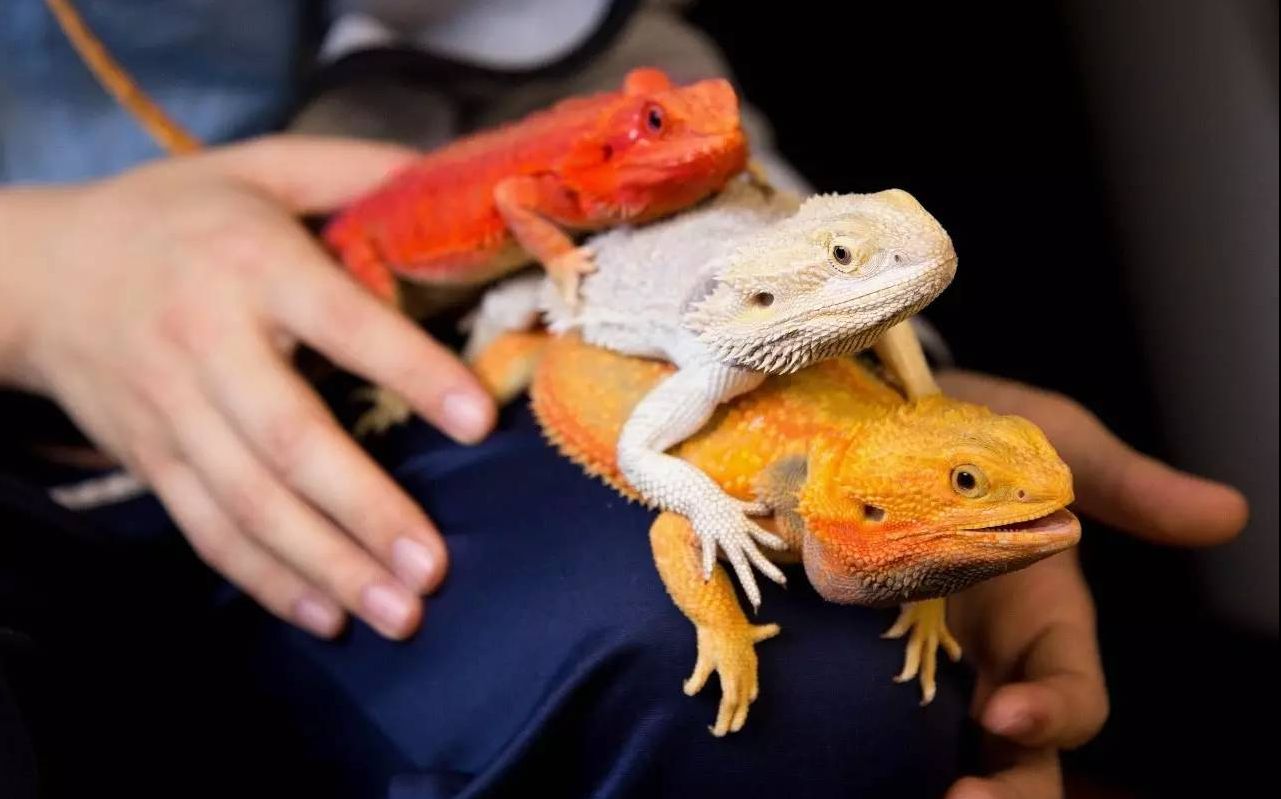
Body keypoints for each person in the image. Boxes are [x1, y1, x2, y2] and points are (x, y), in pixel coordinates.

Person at [0, 2, 1249, 797]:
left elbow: (677, 137)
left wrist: (900, 414)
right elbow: (670, 412)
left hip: (413, 348)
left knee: (815, 706)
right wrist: (35, 275)